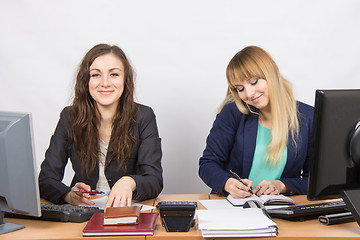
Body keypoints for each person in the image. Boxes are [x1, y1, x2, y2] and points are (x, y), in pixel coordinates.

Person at [39, 44, 163, 208]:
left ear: (125, 80)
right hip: (83, 213)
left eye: (114, 74)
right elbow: (46, 179)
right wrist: (67, 195)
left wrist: (129, 182)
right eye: (96, 75)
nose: (105, 83)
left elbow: (154, 179)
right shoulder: (69, 117)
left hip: (127, 211)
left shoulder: (143, 116)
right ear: (86, 81)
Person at [199, 46, 313, 198]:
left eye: (253, 82)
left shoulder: (307, 117)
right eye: (240, 88)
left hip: (279, 209)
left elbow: (314, 179)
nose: (249, 94)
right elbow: (207, 164)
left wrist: (282, 185)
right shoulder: (232, 113)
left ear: (271, 74)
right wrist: (228, 183)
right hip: (233, 207)